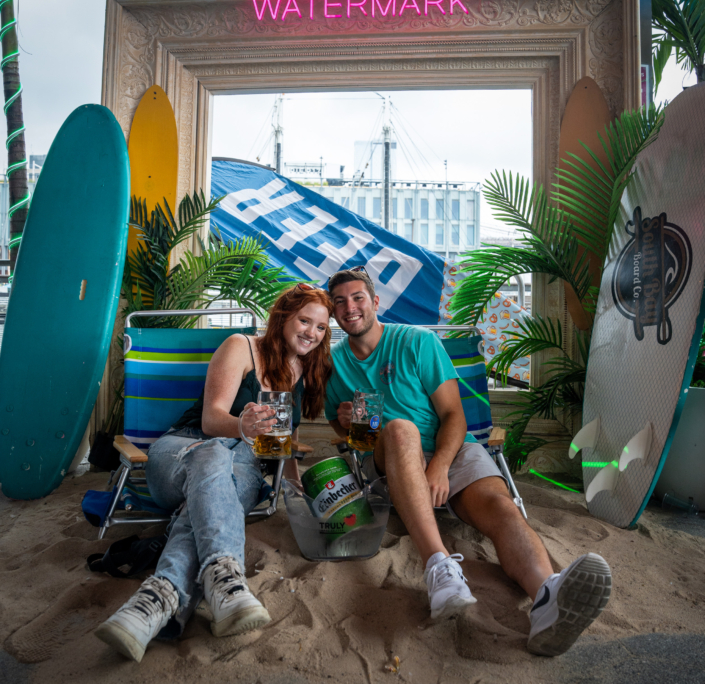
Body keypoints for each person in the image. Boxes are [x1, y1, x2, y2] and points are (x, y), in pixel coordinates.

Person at [325, 267, 611, 657]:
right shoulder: (333, 365)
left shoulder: (417, 343)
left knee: (499, 505)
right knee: (400, 429)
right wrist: (345, 424)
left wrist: (440, 464)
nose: (350, 307)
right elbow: (340, 426)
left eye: (357, 297)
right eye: (339, 302)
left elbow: (454, 417)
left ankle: (547, 596)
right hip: (389, 457)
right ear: (332, 312)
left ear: (375, 302)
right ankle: (439, 568)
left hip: (449, 448)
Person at [95, 284, 334, 662]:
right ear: (283, 316)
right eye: (305, 320)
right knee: (213, 455)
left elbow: (287, 437)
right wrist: (244, 427)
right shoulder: (241, 346)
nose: (311, 333)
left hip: (243, 468)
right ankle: (228, 579)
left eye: (321, 328)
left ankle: (153, 603)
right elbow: (210, 419)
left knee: (206, 504)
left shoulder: (306, 369)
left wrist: (293, 486)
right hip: (182, 451)